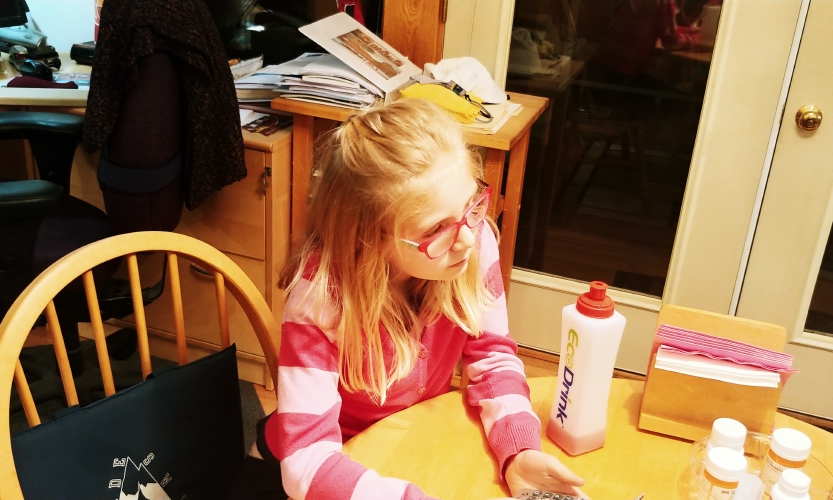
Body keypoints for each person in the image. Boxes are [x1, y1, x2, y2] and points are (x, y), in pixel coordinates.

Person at [228, 99, 586, 500]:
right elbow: (306, 465)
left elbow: (492, 357)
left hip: (400, 450)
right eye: (436, 229)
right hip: (305, 477)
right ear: (371, 237)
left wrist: (518, 450)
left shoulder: (472, 238)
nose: (468, 238)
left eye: (471, 205)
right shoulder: (321, 297)